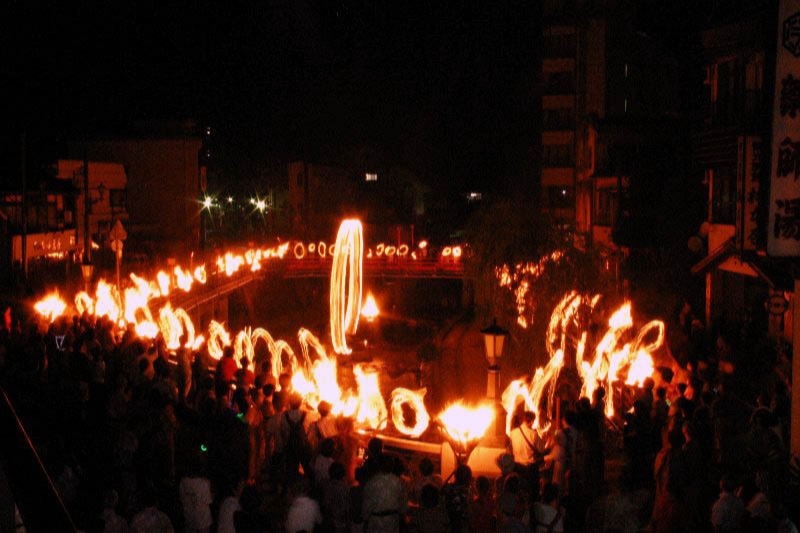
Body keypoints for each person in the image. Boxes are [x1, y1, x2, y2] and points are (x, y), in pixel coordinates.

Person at [362, 454, 407, 532]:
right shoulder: (399, 483)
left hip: (376, 523)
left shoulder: (372, 482)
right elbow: (403, 506)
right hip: (392, 522)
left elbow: (366, 505)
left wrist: (365, 518)